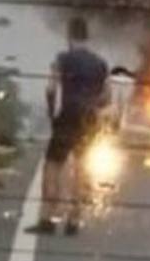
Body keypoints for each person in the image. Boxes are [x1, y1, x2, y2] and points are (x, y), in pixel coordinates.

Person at [25, 15, 109, 236]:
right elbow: (107, 97)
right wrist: (92, 105)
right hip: (88, 119)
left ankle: (48, 219)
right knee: (83, 167)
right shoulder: (100, 64)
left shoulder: (62, 59)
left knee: (53, 165)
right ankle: (74, 219)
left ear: (69, 36)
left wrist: (52, 113)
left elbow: (51, 88)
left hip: (67, 117)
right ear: (87, 37)